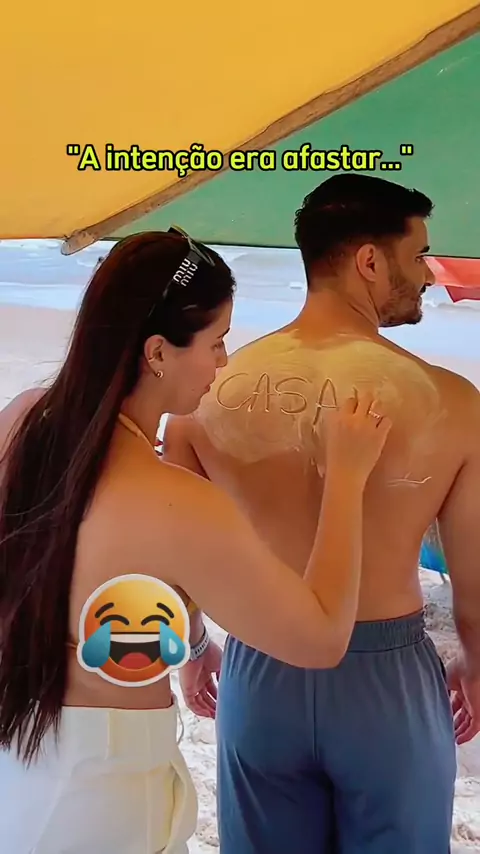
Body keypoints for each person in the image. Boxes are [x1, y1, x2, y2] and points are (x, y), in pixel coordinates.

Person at [0, 228, 390, 854]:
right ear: (157, 352)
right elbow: (320, 638)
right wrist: (345, 480)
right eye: (216, 341)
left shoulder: (22, 421)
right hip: (104, 791)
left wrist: (197, 642)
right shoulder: (175, 500)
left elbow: (107, 581)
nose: (224, 362)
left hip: (20, 750)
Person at [163, 175, 480, 854]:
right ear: (369, 261)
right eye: (418, 255)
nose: (427, 275)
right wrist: (475, 666)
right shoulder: (453, 403)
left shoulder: (203, 397)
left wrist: (193, 649)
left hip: (260, 670)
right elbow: (473, 583)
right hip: (387, 683)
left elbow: (175, 559)